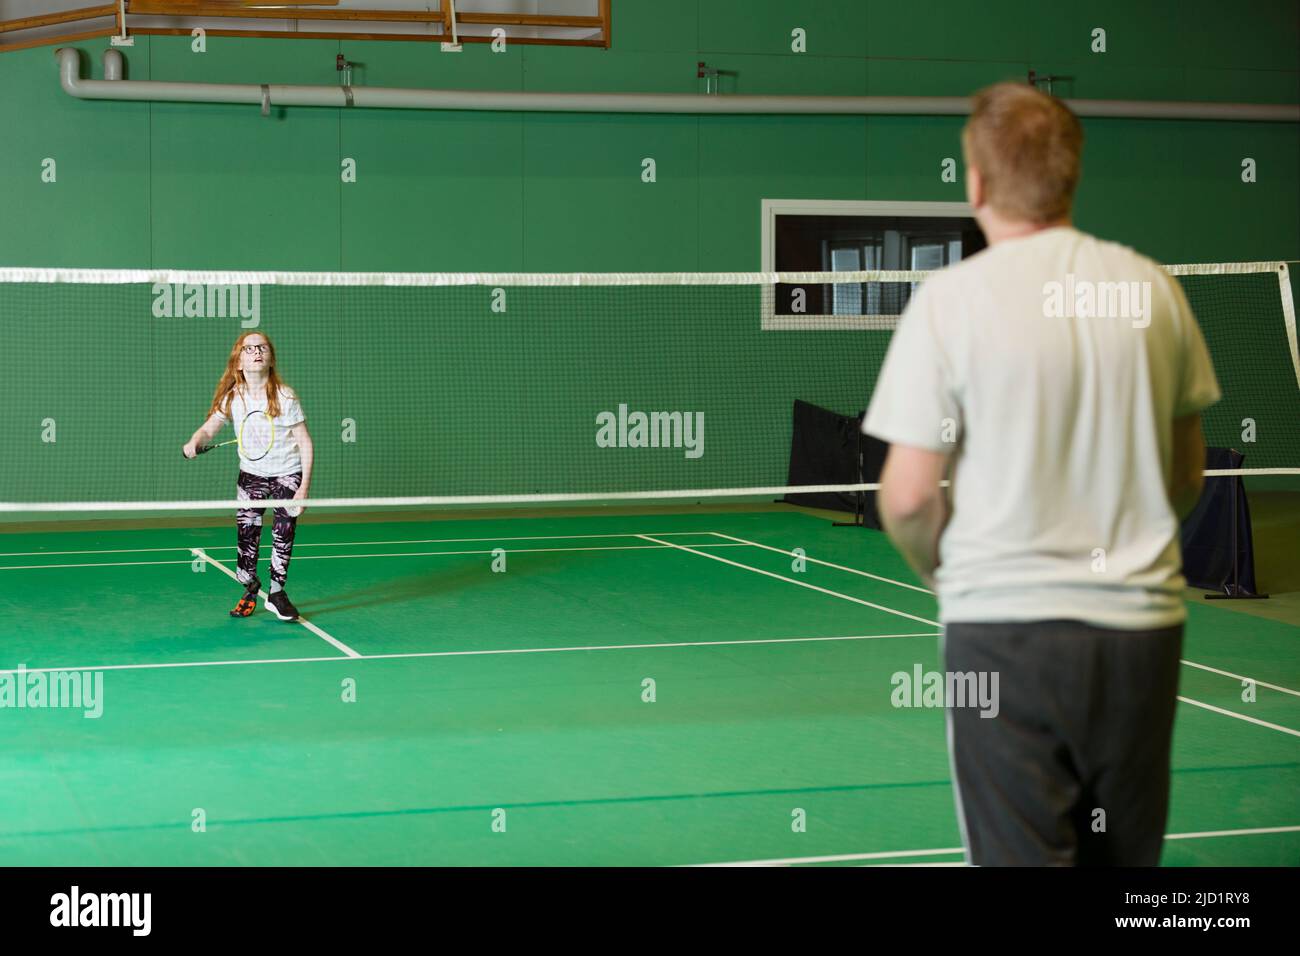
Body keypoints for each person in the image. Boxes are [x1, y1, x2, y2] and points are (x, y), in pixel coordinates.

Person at [863, 82, 1220, 865]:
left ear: (978, 182)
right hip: (1141, 634)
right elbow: (1187, 473)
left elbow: (910, 496)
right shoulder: (1153, 290)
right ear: (1071, 176)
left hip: (1002, 635)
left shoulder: (948, 303)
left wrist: (946, 574)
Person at [184, 332, 314, 622]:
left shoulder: (285, 395)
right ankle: (249, 585)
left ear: (270, 358)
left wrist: (303, 488)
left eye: (263, 348)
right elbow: (209, 428)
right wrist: (194, 441)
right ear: (239, 361)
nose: (257, 352)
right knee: (247, 536)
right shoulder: (233, 397)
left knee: (284, 535)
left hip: (287, 474)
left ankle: (277, 594)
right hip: (252, 476)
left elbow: (305, 441)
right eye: (249, 348)